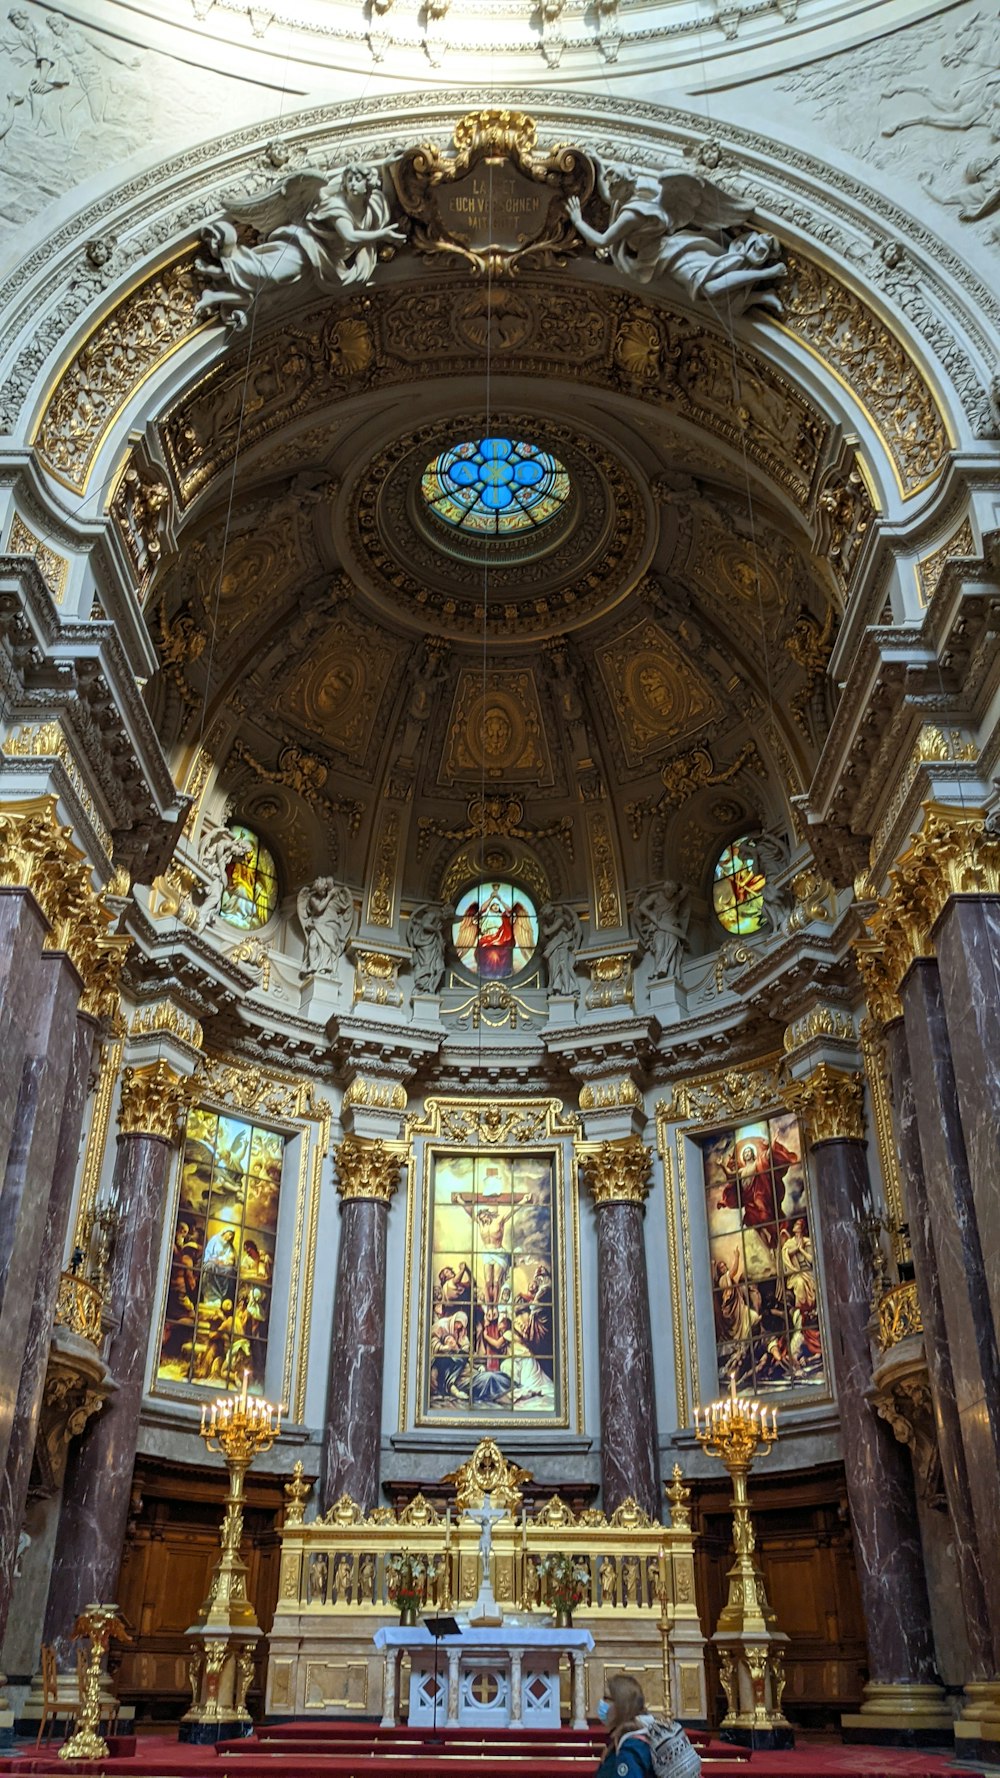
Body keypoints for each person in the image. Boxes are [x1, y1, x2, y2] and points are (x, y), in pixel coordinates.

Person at [595, 1675, 701, 1778]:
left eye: (606, 1698)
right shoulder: (643, 1733)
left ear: (621, 1705)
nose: (602, 1703)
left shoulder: (631, 1747)